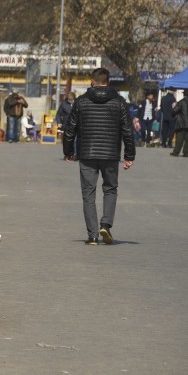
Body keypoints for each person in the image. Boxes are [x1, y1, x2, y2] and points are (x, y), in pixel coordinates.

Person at [62, 67, 135, 245]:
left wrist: (68, 151)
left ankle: (93, 235)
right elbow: (127, 130)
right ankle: (106, 224)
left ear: (92, 81)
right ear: (108, 82)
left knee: (88, 193)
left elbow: (70, 129)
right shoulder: (119, 102)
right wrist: (129, 155)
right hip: (110, 154)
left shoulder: (81, 102)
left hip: (87, 153)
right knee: (110, 189)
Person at [170, 89, 188, 157]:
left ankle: (176, 152)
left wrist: (173, 114)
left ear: (184, 94)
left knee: (179, 138)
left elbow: (174, 111)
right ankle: (186, 152)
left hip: (181, 123)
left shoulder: (181, 102)